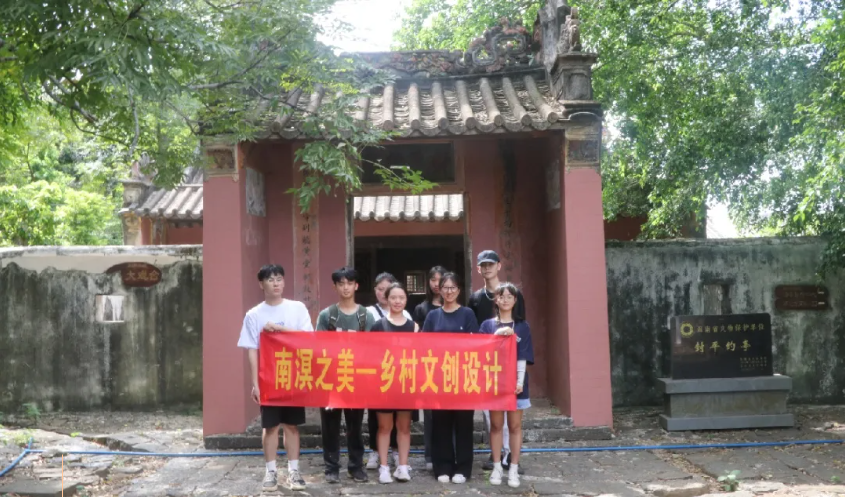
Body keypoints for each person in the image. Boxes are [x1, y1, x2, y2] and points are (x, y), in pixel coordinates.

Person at [236, 264, 313, 492]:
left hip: (293, 375)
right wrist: (255, 384)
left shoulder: (297, 308)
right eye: (270, 279)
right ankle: (270, 472)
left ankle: (294, 471)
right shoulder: (254, 314)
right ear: (261, 284)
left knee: (292, 425)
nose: (276, 283)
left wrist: (281, 331)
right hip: (269, 378)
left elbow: (308, 338)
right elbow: (252, 350)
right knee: (270, 427)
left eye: (279, 278)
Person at [315, 266, 376, 484]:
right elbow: (318, 346)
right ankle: (331, 467)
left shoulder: (365, 315)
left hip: (356, 380)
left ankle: (355, 466)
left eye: (349, 283)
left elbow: (372, 347)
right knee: (330, 426)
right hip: (331, 379)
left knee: (355, 426)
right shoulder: (327, 315)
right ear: (335, 287)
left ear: (356, 286)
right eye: (341, 284)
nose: (346, 288)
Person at [467, 250, 526, 473]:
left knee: (512, 412)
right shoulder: (475, 298)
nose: (487, 268)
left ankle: (511, 456)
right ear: (478, 269)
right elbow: (474, 333)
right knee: (490, 414)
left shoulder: (513, 293)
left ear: (499, 266)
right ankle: (496, 456)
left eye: (491, 264)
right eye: (483, 265)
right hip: (487, 362)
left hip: (510, 361)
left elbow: (521, 325)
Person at [421, 273, 479, 484]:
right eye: (445, 287)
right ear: (439, 290)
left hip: (463, 378)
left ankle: (463, 468)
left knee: (464, 424)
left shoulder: (467, 314)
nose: (449, 291)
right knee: (441, 424)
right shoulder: (433, 316)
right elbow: (423, 346)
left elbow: (476, 345)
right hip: (438, 379)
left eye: (453, 287)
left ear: (459, 290)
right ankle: (442, 467)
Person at [479, 283, 534, 488]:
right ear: (496, 299)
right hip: (494, 383)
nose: (505, 300)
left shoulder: (522, 326)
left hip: (516, 386)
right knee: (495, 426)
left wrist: (519, 381)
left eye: (510, 296)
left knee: (514, 426)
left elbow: (523, 356)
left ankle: (513, 467)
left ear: (515, 300)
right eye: (501, 296)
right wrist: (497, 336)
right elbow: (480, 351)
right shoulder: (487, 325)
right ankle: (496, 466)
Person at [370, 282, 419, 484]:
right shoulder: (378, 326)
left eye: (401, 297)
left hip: (406, 381)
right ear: (387, 299)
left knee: (404, 427)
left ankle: (403, 467)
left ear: (406, 300)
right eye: (393, 297)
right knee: (384, 427)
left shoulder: (414, 327)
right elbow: (371, 355)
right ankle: (384, 468)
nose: (397, 301)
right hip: (384, 383)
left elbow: (420, 354)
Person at [412, 265, 446, 471]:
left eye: (440, 280)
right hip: (428, 367)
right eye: (433, 280)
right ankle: (429, 455)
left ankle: (447, 452)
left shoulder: (456, 308)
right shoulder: (421, 309)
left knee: (448, 412)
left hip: (450, 367)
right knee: (430, 414)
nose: (436, 284)